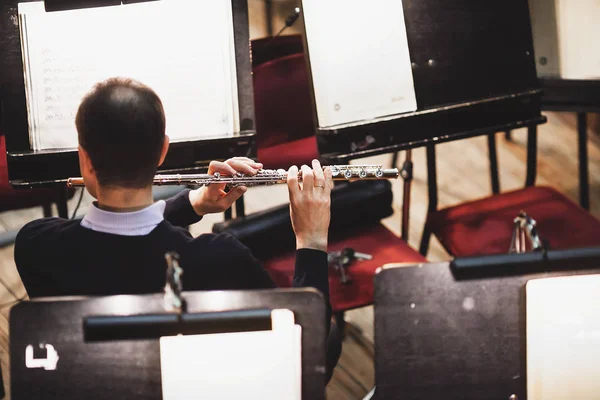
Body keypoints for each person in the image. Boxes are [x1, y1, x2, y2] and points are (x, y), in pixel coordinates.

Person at [14, 78, 337, 369]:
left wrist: (193, 203)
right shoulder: (220, 260)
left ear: (84, 159)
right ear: (163, 151)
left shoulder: (35, 246)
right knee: (331, 335)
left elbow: (121, 247)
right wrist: (311, 239)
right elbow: (307, 350)